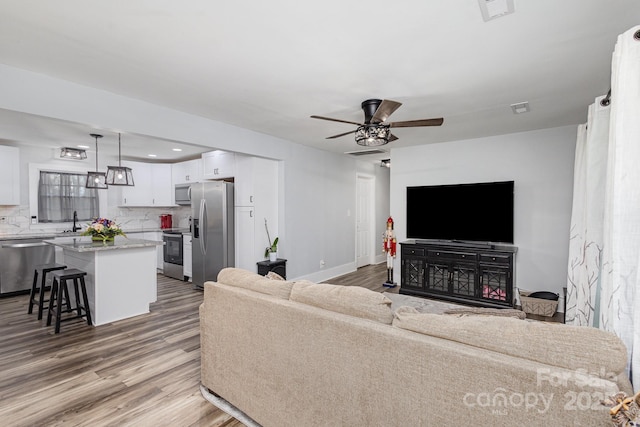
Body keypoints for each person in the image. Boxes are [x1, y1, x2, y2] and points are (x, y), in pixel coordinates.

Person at [382, 216, 397, 287]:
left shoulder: (393, 238)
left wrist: (394, 253)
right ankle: (388, 278)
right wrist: (384, 249)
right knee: (388, 265)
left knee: (391, 265)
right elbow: (384, 243)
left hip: (391, 252)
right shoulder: (386, 236)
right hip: (388, 251)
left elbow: (394, 245)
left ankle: (392, 279)